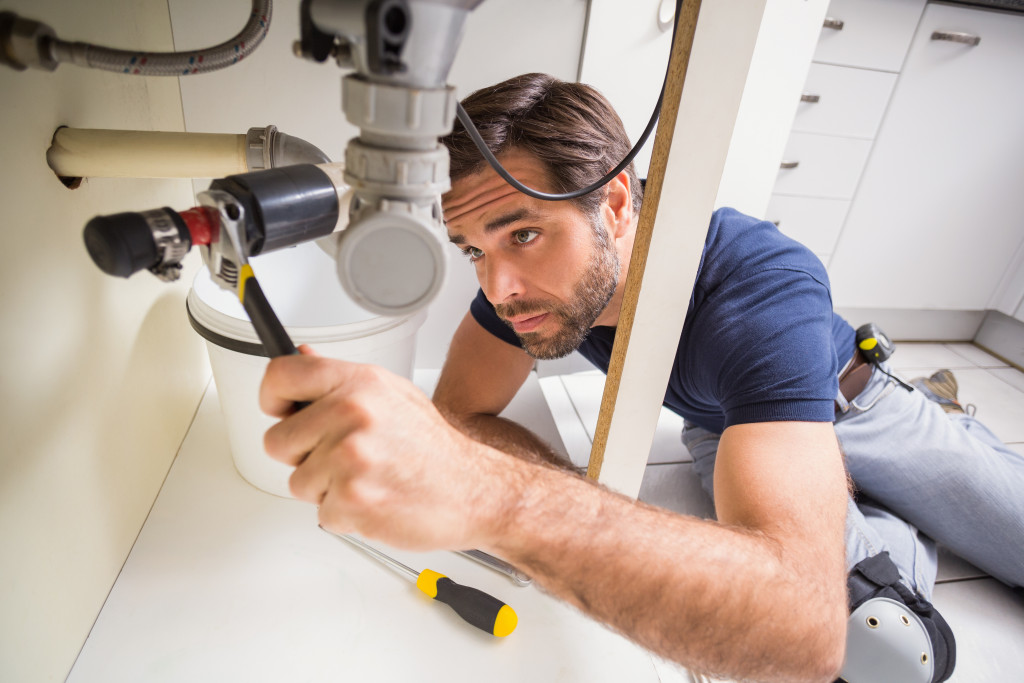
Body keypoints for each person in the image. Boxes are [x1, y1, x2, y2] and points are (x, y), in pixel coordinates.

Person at [260, 74, 1024, 682]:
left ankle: (938, 421)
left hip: (856, 401)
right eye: (473, 250)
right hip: (720, 426)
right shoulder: (525, 292)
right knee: (886, 650)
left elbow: (795, 617)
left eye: (525, 232)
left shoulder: (760, 282)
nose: (498, 287)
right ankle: (896, 507)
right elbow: (460, 412)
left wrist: (505, 499)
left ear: (615, 203)